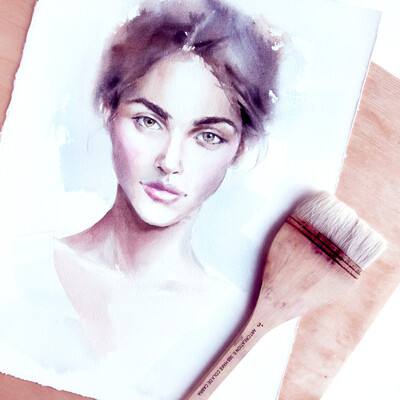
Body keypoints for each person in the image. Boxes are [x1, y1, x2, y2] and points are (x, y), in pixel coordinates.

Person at [52, 0, 281, 398]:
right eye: (149, 121)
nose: (170, 162)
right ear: (109, 111)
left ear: (240, 148)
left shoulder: (232, 318)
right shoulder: (23, 265)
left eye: (208, 136)